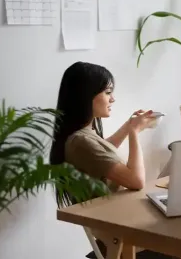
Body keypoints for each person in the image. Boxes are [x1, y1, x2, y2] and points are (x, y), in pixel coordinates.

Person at [49, 62, 172, 259]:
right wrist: (134, 132)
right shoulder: (80, 141)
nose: (112, 99)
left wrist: (127, 126)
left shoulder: (83, 136)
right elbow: (136, 181)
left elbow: (102, 153)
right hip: (121, 233)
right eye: (107, 92)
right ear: (86, 95)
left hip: (124, 223)